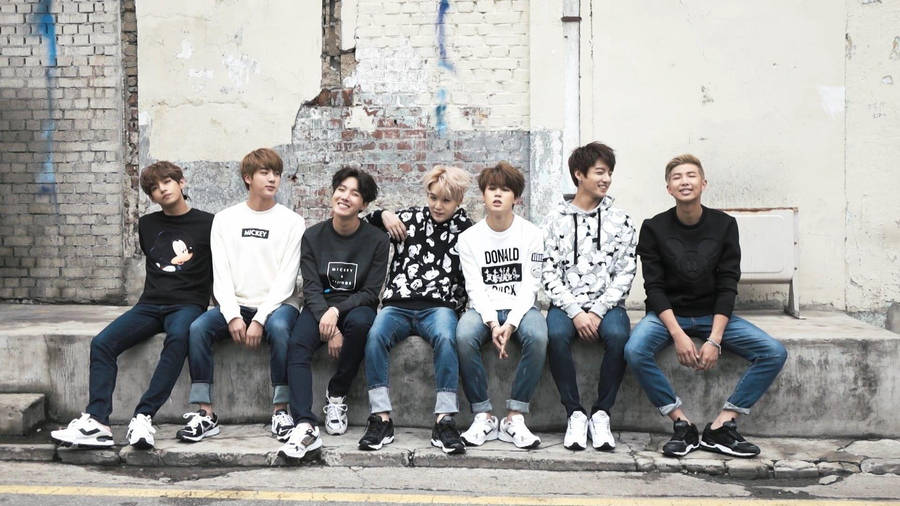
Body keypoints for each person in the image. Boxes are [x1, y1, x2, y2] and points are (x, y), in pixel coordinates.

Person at [624, 154, 787, 458]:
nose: (684, 181)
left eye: (691, 175)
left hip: (713, 315)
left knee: (773, 352)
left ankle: (722, 426)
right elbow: (654, 288)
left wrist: (714, 338)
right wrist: (678, 334)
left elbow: (728, 283)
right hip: (668, 316)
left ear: (703, 183)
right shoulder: (654, 228)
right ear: (669, 188)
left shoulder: (724, 225)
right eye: (676, 177)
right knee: (634, 350)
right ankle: (682, 424)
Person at [51, 162, 213, 449]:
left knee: (178, 338)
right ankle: (97, 422)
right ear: (150, 197)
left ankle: (143, 417)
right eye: (153, 188)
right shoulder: (147, 225)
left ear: (182, 183)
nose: (162, 189)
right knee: (102, 343)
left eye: (167, 182)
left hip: (188, 304)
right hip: (150, 304)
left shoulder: (209, 223)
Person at [177, 148, 305, 443]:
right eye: (264, 172)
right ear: (248, 178)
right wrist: (232, 314)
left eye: (276, 173)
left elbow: (287, 280)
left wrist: (259, 319)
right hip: (236, 303)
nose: (272, 179)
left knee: (282, 329)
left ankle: (281, 410)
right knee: (197, 328)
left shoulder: (292, 221)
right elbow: (220, 273)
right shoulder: (225, 220)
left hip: (278, 304)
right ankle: (205, 413)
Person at [357, 166, 473, 454]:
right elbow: (360, 223)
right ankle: (381, 418)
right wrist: (382, 214)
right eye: (433, 197)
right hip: (398, 304)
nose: (437, 205)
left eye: (445, 200)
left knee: (447, 339)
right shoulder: (409, 219)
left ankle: (444, 420)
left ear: (458, 200)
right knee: (374, 336)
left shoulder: (468, 230)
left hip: (439, 308)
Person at [278, 167, 389, 460]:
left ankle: (337, 393)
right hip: (319, 307)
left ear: (363, 205)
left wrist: (336, 313)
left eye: (354, 193)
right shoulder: (313, 236)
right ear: (332, 193)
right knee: (298, 344)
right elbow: (312, 288)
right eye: (341, 189)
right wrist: (329, 319)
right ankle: (304, 423)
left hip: (353, 307)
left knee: (363, 324)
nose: (345, 196)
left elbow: (370, 293)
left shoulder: (377, 241)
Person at [542, 142, 636, 451]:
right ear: (579, 174)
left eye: (609, 172)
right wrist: (575, 311)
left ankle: (601, 413)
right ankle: (575, 413)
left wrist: (596, 311)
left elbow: (626, 271)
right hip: (566, 304)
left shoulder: (621, 220)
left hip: (606, 305)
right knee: (554, 334)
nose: (606, 178)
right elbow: (548, 271)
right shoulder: (554, 219)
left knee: (619, 336)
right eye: (599, 172)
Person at [455, 161, 548, 450]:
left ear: (516, 198)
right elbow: (475, 287)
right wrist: (493, 323)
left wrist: (512, 323)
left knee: (539, 336)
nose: (497, 195)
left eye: (505, 190)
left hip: (521, 307)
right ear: (483, 194)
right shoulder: (469, 238)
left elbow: (530, 286)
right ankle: (483, 415)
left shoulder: (532, 235)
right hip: (484, 308)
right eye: (492, 189)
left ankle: (514, 416)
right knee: (463, 335)